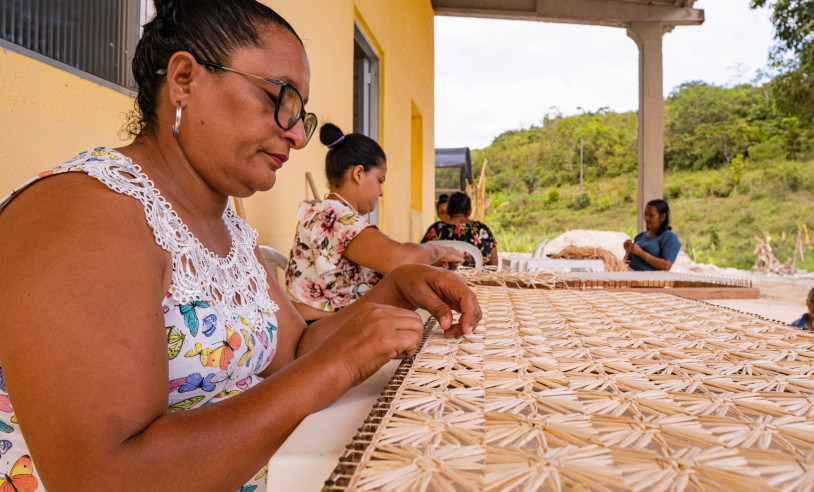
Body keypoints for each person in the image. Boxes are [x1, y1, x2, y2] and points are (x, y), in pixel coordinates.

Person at [0, 2, 481, 490]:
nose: (296, 135)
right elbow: (106, 476)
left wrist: (395, 289)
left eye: (301, 115)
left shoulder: (224, 222)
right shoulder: (86, 212)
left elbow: (293, 350)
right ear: (185, 79)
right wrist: (337, 366)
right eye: (282, 98)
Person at [285, 123, 465, 322]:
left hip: (321, 322)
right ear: (359, 173)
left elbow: (389, 260)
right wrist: (441, 251)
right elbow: (400, 258)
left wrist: (427, 259)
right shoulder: (334, 215)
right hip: (318, 327)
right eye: (380, 180)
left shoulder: (326, 211)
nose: (381, 192)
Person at [421, 191, 499, 267]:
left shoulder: (436, 229)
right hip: (475, 280)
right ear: (469, 211)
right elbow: (494, 265)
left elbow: (421, 257)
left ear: (448, 210)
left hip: (440, 279)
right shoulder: (482, 230)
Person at [624, 199, 681, 271]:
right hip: (629, 274)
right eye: (646, 214)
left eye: (651, 215)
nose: (646, 218)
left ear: (663, 217)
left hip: (649, 281)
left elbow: (666, 266)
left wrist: (641, 253)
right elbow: (628, 261)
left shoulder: (669, 237)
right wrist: (629, 250)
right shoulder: (640, 236)